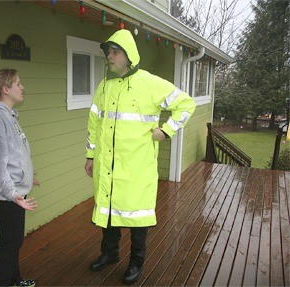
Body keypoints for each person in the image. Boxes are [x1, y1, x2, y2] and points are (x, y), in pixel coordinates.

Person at [85, 29, 196, 285]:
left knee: (137, 219)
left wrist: (166, 131)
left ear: (128, 56)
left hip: (136, 168)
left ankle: (136, 264)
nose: (109, 57)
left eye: (114, 52)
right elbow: (94, 124)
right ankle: (109, 254)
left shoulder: (150, 83)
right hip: (107, 165)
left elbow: (186, 104)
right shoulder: (104, 86)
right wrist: (91, 156)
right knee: (109, 212)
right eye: (108, 53)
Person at [0, 68, 39, 287]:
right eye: (18, 84)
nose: (22, 87)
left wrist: (27, 177)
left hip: (13, 191)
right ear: (6, 89)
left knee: (13, 241)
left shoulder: (6, 114)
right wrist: (13, 194)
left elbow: (13, 153)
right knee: (9, 242)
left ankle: (14, 281)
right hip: (5, 195)